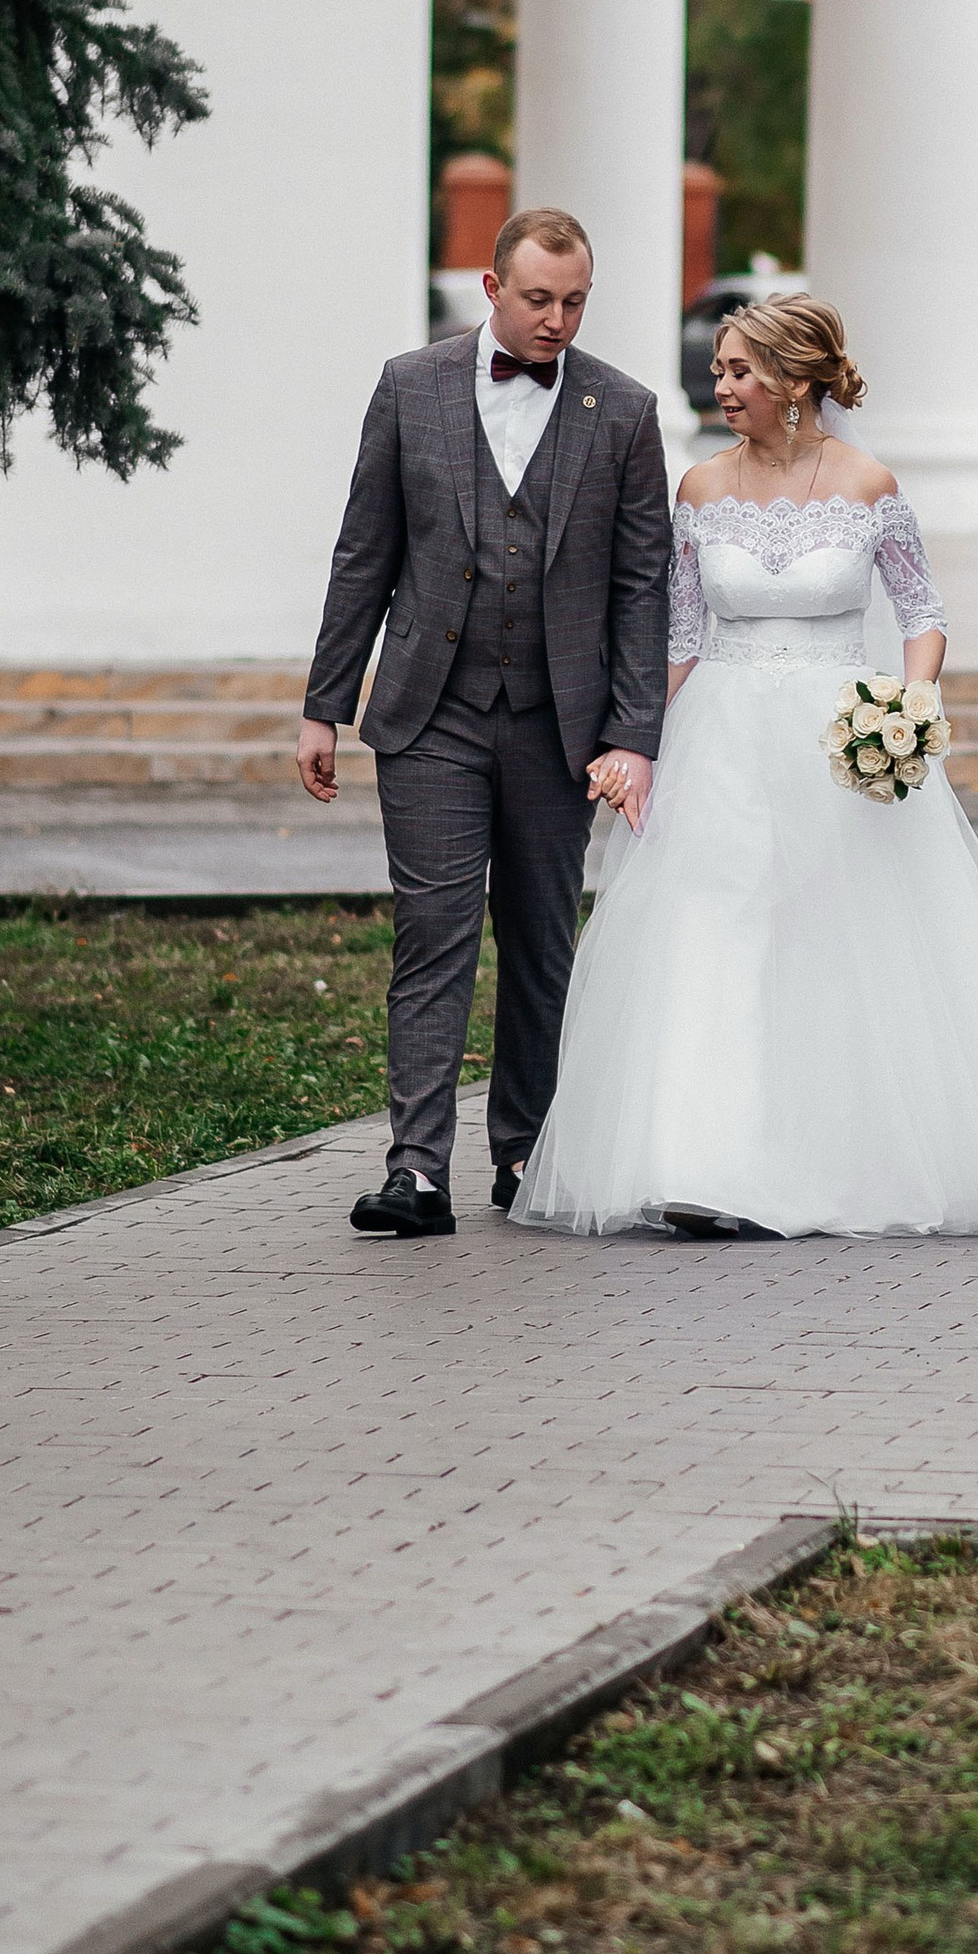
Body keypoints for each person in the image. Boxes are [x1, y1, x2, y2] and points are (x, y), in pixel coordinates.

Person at [512, 294, 978, 1242]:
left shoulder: (870, 484)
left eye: (738, 372)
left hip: (839, 742)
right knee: (715, 932)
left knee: (837, 938)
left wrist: (908, 706)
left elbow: (924, 614)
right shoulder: (701, 490)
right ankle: (699, 1164)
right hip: (721, 734)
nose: (719, 387)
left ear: (796, 381)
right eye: (718, 371)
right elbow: (677, 634)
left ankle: (836, 1159)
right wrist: (630, 741)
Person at [297, 208, 668, 1234]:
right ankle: (416, 1168)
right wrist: (325, 705)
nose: (557, 320)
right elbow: (361, 552)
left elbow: (645, 586)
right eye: (539, 298)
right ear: (491, 288)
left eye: (575, 301)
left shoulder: (624, 411)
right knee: (434, 936)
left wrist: (633, 734)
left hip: (562, 726)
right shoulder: (408, 387)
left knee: (543, 941)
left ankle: (525, 1154)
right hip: (431, 715)